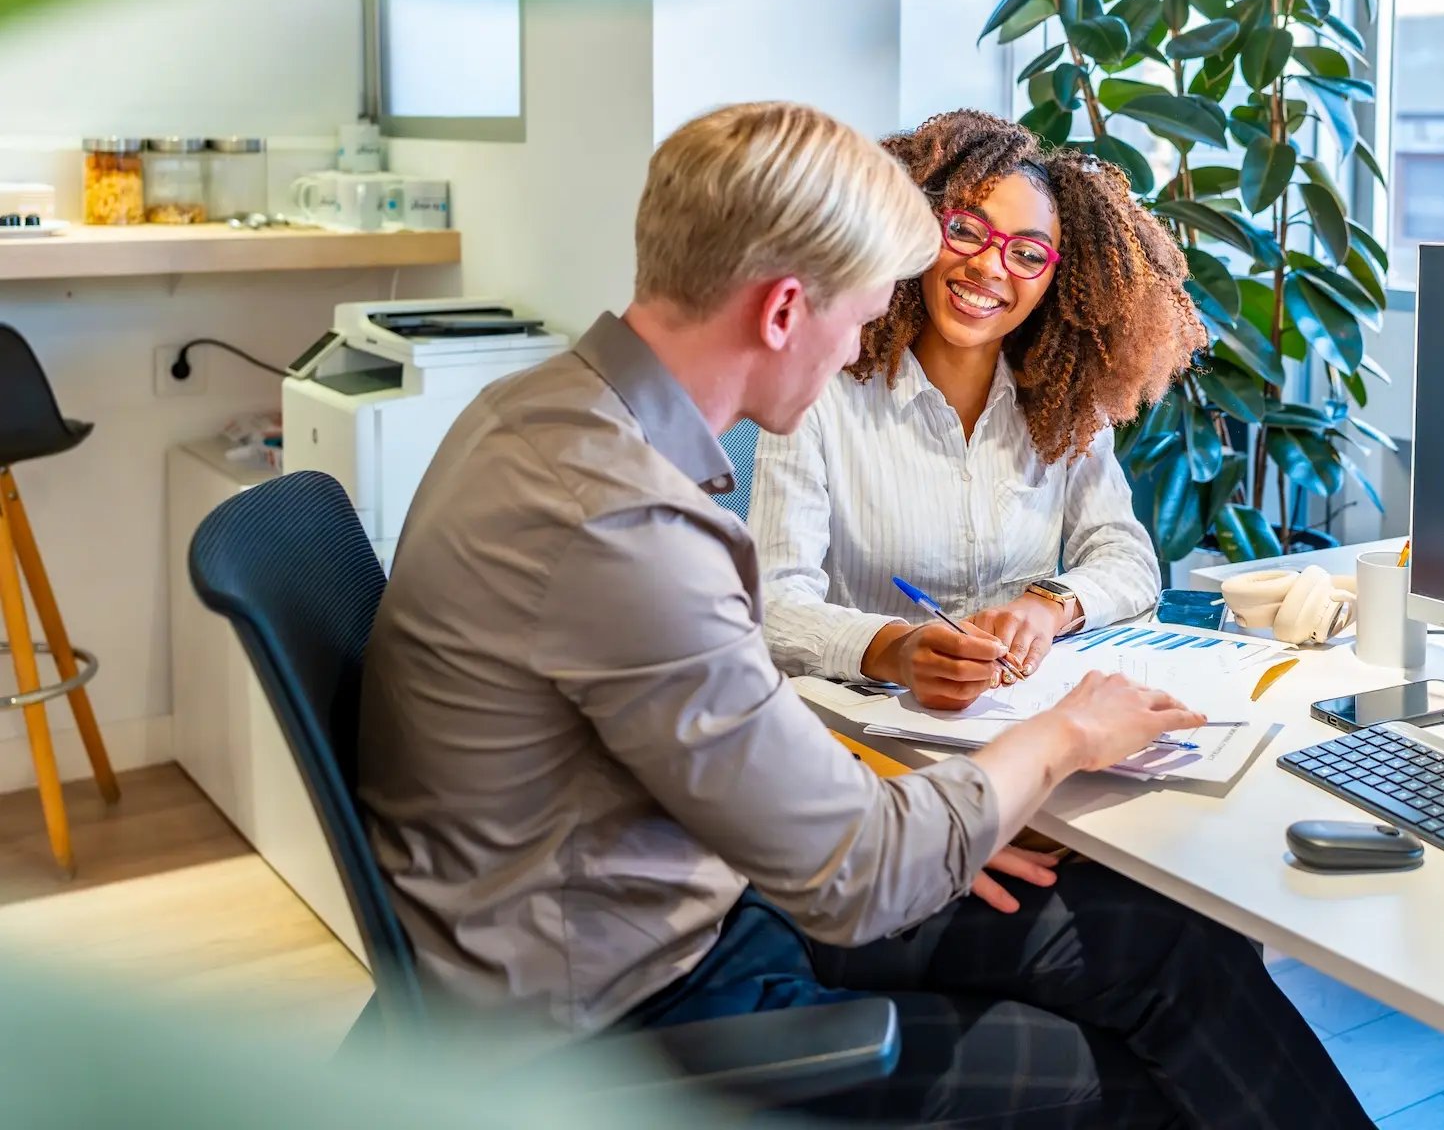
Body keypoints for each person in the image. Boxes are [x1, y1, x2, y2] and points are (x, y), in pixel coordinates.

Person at [357, 101, 1369, 1128]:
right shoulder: (629, 523)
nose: (859, 348)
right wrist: (1062, 737)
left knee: (1166, 941)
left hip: (690, 891)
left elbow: (748, 761)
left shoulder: (539, 417)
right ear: (784, 311)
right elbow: (861, 875)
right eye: (862, 314)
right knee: (1144, 1069)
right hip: (651, 1003)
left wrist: (946, 816)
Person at [752, 110, 1207, 709]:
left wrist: (1048, 605)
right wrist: (895, 650)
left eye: (1028, 254)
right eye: (966, 230)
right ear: (914, 229)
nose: (989, 266)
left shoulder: (1064, 405)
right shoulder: (819, 393)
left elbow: (1127, 559)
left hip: (1019, 719)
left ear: (1059, 281)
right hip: (859, 726)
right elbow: (772, 603)